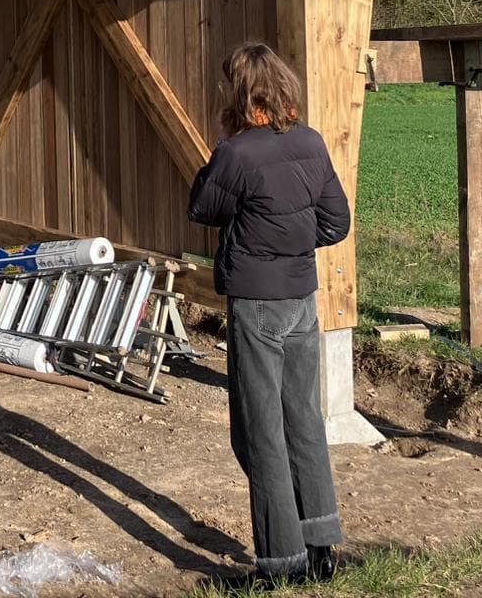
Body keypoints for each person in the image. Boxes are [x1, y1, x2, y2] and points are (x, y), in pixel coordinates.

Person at [187, 41, 350, 589]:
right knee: (304, 420)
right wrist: (291, 244)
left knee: (259, 432)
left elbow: (202, 208)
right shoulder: (311, 142)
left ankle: (282, 564)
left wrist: (251, 234)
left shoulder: (237, 153)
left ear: (237, 94)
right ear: (283, 87)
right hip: (303, 297)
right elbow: (336, 223)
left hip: (256, 304)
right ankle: (322, 545)